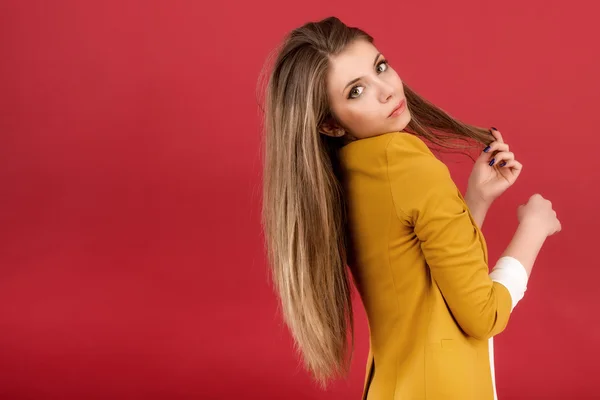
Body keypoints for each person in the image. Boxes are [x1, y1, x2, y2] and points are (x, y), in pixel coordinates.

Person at [259, 16, 561, 400]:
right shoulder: (410, 166)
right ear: (330, 125)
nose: (386, 90)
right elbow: (484, 314)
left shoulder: (345, 176)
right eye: (356, 91)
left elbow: (420, 277)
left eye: (380, 66)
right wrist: (532, 228)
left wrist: (475, 201)